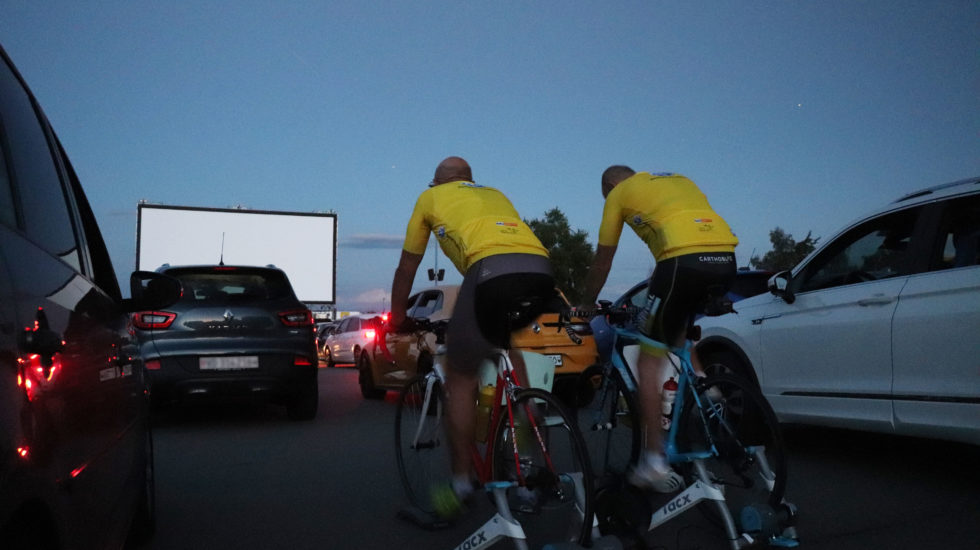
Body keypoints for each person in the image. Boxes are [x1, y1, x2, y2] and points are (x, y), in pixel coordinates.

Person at [389, 156, 554, 515]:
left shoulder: (429, 198)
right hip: (540, 270)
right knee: (509, 356)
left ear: (437, 184)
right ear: (470, 179)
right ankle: (527, 466)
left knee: (461, 378)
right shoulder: (495, 193)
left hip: (489, 272)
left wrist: (398, 317)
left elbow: (407, 266)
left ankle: (461, 484)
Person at [579, 166, 739, 493]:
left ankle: (653, 461)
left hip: (681, 262)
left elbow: (602, 260)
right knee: (677, 326)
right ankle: (709, 393)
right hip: (725, 258)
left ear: (609, 187)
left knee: (647, 362)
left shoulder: (619, 194)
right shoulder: (681, 179)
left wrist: (586, 302)